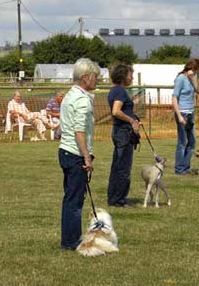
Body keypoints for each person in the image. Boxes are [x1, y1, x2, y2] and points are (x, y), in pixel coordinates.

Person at [58, 58, 100, 250]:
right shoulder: (83, 100)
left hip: (65, 151)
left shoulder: (69, 95)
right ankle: (71, 241)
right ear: (85, 78)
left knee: (70, 197)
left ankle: (69, 238)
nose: (97, 79)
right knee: (75, 200)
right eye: (95, 76)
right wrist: (86, 157)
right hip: (75, 154)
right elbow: (79, 130)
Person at [107, 64, 141, 207]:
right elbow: (116, 111)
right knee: (123, 168)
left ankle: (113, 197)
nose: (132, 77)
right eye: (130, 75)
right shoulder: (120, 91)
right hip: (123, 133)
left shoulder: (114, 90)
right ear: (123, 76)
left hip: (118, 131)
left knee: (117, 166)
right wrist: (131, 120)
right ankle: (119, 199)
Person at [172, 58, 199, 175]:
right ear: (190, 68)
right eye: (195, 70)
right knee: (182, 142)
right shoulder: (180, 79)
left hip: (190, 113)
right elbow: (174, 97)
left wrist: (193, 79)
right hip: (182, 113)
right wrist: (179, 116)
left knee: (192, 142)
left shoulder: (191, 79)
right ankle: (179, 169)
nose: (195, 73)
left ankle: (186, 167)